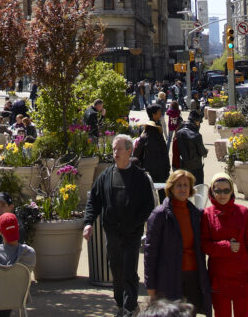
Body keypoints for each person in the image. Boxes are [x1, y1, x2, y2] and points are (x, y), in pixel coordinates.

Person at [83, 133, 155, 317]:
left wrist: (137, 223)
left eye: (119, 149)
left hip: (132, 233)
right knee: (115, 267)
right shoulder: (106, 176)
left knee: (129, 269)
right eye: (114, 149)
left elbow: (148, 205)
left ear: (129, 151)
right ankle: (120, 303)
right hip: (112, 232)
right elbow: (94, 201)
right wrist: (88, 223)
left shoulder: (140, 177)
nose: (115, 152)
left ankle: (129, 307)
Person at [144, 169, 212, 313]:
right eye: (179, 185)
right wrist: (150, 286)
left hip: (193, 276)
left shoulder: (196, 214)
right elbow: (150, 253)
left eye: (186, 185)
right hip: (169, 277)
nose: (183, 189)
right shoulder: (160, 215)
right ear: (171, 188)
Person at [200, 176, 248, 317]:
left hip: (243, 277)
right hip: (219, 279)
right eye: (218, 191)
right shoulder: (206, 215)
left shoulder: (243, 212)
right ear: (212, 191)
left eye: (226, 190)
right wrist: (226, 247)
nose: (222, 195)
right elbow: (204, 245)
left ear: (232, 191)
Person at [133, 104, 171, 183]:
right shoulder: (152, 135)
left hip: (149, 169)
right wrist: (167, 167)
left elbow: (136, 154)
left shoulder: (145, 135)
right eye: (159, 112)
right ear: (153, 114)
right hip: (158, 170)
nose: (161, 113)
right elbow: (164, 152)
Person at [173, 110, 208, 186]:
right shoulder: (196, 135)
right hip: (196, 168)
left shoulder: (179, 133)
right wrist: (206, 151)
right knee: (198, 189)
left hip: (184, 166)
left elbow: (176, 151)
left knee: (186, 188)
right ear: (196, 122)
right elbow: (202, 152)